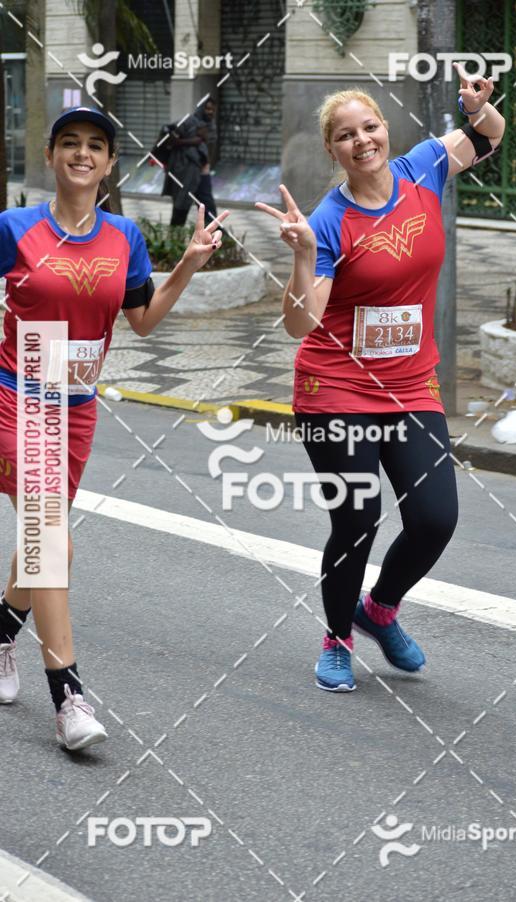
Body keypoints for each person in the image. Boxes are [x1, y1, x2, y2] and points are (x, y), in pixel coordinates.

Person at [257, 66, 505, 691]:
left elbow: (491, 137)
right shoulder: (329, 221)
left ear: (385, 129)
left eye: (369, 127)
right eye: (346, 135)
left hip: (411, 384)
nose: (361, 140)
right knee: (358, 519)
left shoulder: (425, 167)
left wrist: (478, 110)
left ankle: (380, 609)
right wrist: (303, 254)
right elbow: (300, 323)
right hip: (336, 386)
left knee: (435, 518)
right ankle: (338, 637)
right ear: (332, 150)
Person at [0, 106, 228, 748]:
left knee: (46, 542)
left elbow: (143, 320)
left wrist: (188, 264)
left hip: (76, 409)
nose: (82, 153)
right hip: (18, 398)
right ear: (51, 155)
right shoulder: (14, 228)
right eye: (69, 143)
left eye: (95, 145)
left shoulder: (124, 236)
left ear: (108, 163)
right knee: (50, 540)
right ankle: (69, 698)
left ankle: (1, 634)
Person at [163, 98, 218, 227]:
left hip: (203, 171)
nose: (210, 112)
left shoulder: (211, 126)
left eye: (212, 109)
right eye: (207, 108)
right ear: (201, 109)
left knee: (207, 204)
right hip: (185, 170)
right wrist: (193, 141)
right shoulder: (188, 122)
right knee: (181, 203)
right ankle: (176, 234)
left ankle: (213, 232)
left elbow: (209, 146)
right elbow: (169, 138)